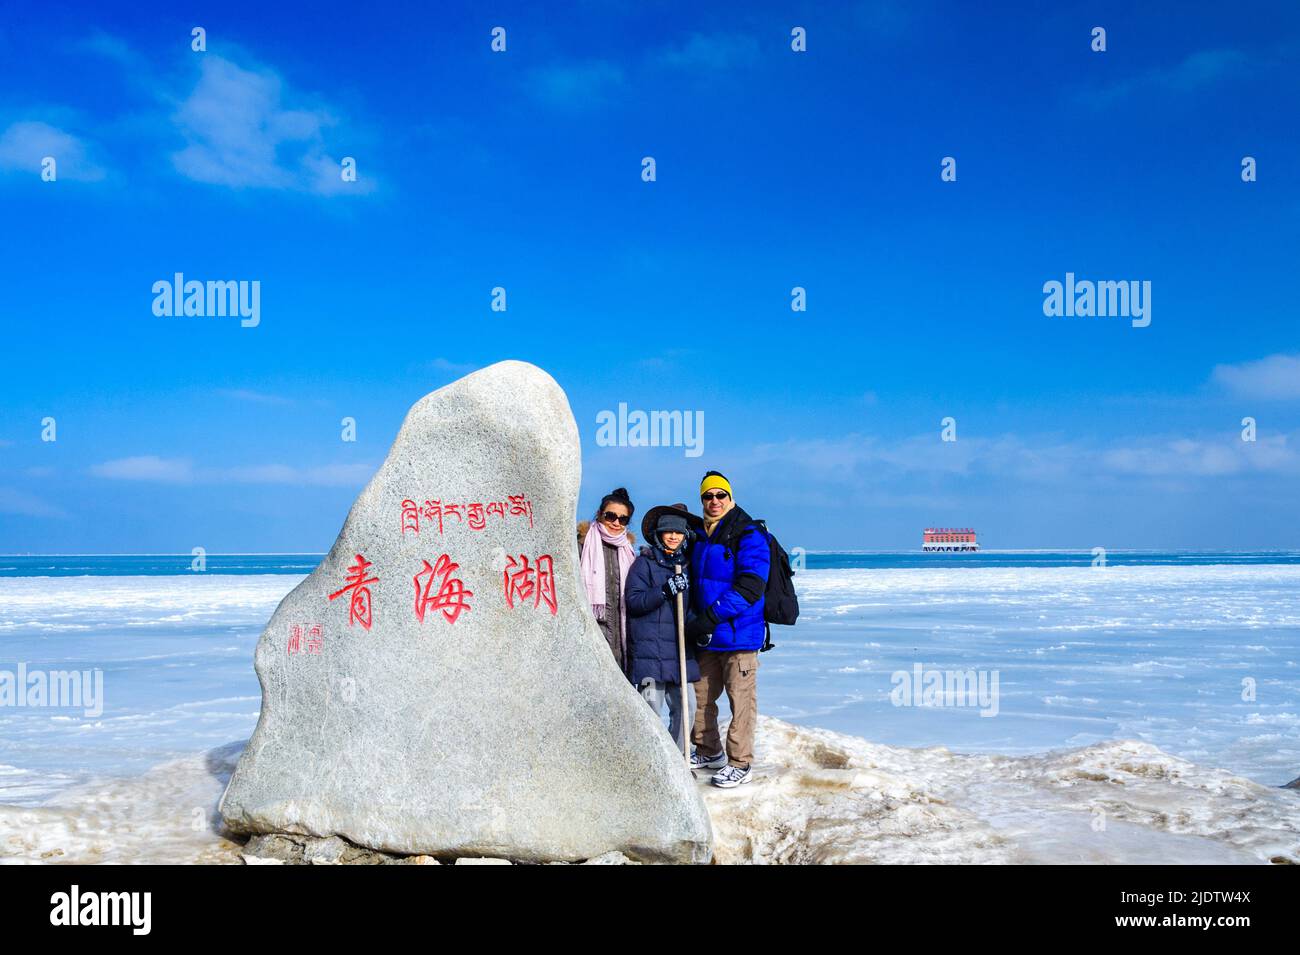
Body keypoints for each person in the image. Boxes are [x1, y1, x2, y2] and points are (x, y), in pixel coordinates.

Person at [685, 470, 770, 788]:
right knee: (702, 697)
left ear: (730, 497)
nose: (714, 501)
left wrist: (712, 615)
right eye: (708, 496)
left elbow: (751, 585)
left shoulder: (748, 534)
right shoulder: (702, 536)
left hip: (739, 635)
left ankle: (740, 761)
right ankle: (708, 751)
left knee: (741, 701)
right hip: (708, 636)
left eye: (721, 495)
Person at [624, 503, 703, 752]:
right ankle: (654, 764)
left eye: (677, 532)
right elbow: (634, 602)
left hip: (680, 653)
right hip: (651, 654)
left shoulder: (690, 567)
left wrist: (700, 630)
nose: (672, 536)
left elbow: (693, 607)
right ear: (658, 535)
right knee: (650, 714)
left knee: (687, 709)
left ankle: (677, 762)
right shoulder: (644, 564)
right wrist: (664, 591)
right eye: (667, 532)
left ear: (684, 536)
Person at [579, 487, 636, 673]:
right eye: (610, 516)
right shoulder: (580, 547)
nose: (616, 522)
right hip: (591, 638)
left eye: (623, 519)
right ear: (599, 514)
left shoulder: (630, 553)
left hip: (623, 639)